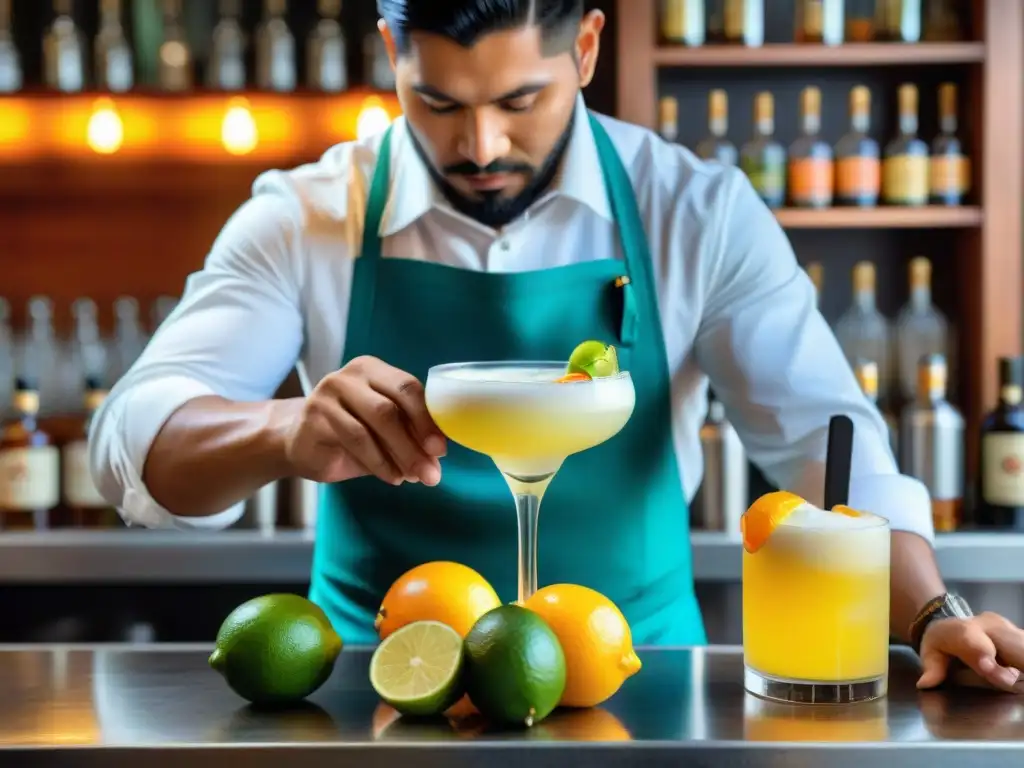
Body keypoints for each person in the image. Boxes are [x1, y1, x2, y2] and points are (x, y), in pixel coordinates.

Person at [89, 0, 1023, 692]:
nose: (481, 144)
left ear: (585, 48)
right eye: (438, 103)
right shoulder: (304, 216)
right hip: (381, 691)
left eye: (519, 100)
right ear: (390, 54)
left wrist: (933, 613)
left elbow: (828, 446)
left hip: (642, 685)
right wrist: (286, 431)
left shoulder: (693, 210)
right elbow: (134, 440)